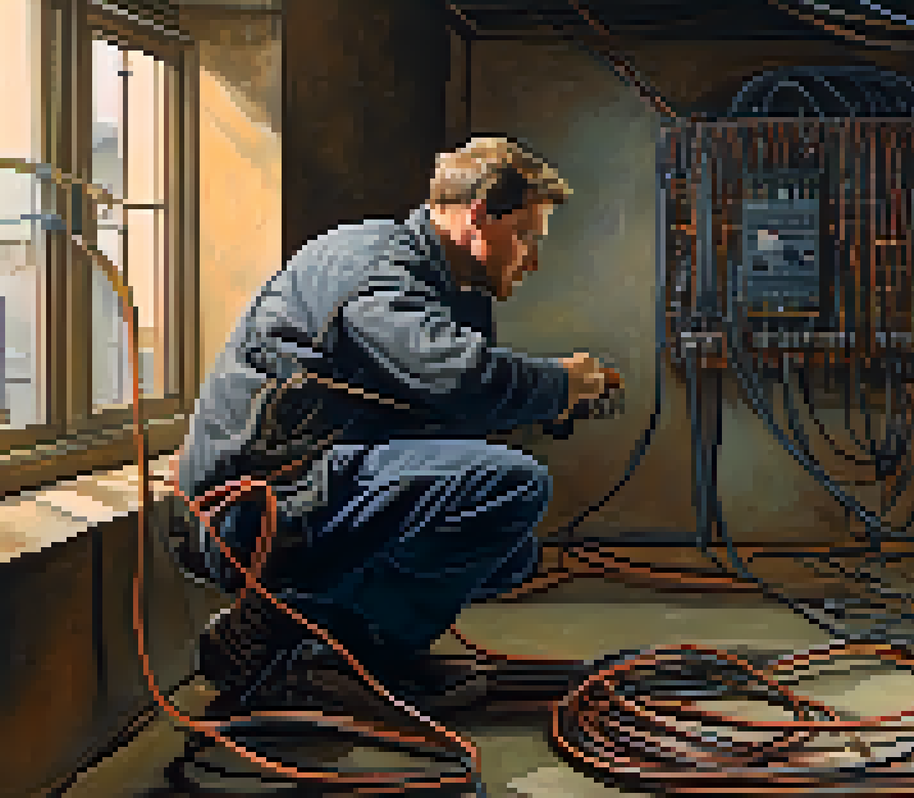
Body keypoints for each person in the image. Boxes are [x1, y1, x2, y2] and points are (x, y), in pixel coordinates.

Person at [172, 136, 619, 722]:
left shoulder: (441, 283)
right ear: (479, 215)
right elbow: (457, 376)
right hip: (253, 509)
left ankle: (322, 638)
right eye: (526, 237)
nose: (532, 259)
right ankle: (320, 657)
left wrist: (547, 408)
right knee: (512, 488)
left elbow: (445, 405)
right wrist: (562, 384)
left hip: (312, 484)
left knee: (510, 552)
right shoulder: (374, 264)